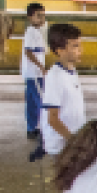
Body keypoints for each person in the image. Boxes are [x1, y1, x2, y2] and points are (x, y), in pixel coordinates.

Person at [39, 23, 85, 159]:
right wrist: (73, 141)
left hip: (71, 142)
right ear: (59, 50)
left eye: (79, 44)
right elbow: (53, 119)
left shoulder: (71, 71)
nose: (80, 49)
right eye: (75, 46)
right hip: (61, 147)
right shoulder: (55, 77)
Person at [21, 2, 47, 140]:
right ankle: (43, 129)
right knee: (40, 101)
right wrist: (42, 68)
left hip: (31, 74)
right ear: (30, 17)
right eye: (38, 16)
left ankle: (31, 128)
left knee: (31, 101)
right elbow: (29, 53)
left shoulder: (36, 32)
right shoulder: (31, 32)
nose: (42, 19)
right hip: (35, 74)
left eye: (43, 16)